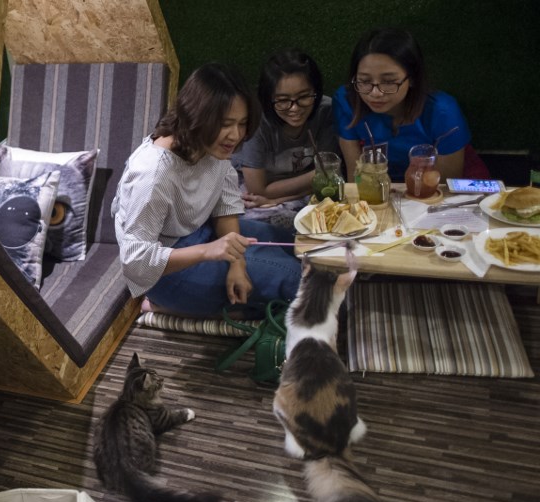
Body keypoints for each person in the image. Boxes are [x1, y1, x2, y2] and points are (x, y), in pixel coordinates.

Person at [111, 63, 302, 318]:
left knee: (298, 243)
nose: (235, 135)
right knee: (296, 279)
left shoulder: (210, 145)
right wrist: (209, 251)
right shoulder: (153, 174)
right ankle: (168, 305)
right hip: (163, 271)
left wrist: (237, 263)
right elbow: (135, 262)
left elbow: (224, 202)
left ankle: (226, 305)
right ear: (197, 116)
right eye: (225, 124)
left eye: (242, 123)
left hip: (200, 231)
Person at [334, 27, 485, 183]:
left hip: (447, 191)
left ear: (412, 78)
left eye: (389, 81)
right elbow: (356, 179)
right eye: (365, 81)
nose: (375, 93)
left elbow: (444, 189)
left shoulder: (443, 111)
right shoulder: (347, 100)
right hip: (380, 188)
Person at [235, 49, 340, 208]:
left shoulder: (326, 111)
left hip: (294, 195)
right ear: (268, 98)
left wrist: (276, 199)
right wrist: (317, 176)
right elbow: (257, 190)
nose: (294, 108)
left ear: (316, 92)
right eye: (283, 100)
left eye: (304, 97)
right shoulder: (257, 119)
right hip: (252, 196)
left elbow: (328, 174)